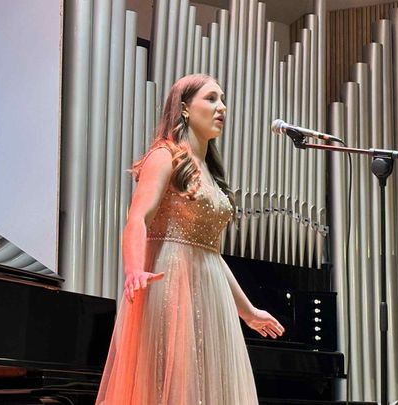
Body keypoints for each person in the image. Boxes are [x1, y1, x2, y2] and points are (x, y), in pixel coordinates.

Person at [96, 73, 285, 405]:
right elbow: (137, 218)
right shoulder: (164, 156)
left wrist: (248, 312)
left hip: (211, 292)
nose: (221, 107)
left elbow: (211, 253)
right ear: (184, 108)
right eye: (211, 98)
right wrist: (133, 270)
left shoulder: (210, 171)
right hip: (173, 283)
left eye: (222, 99)